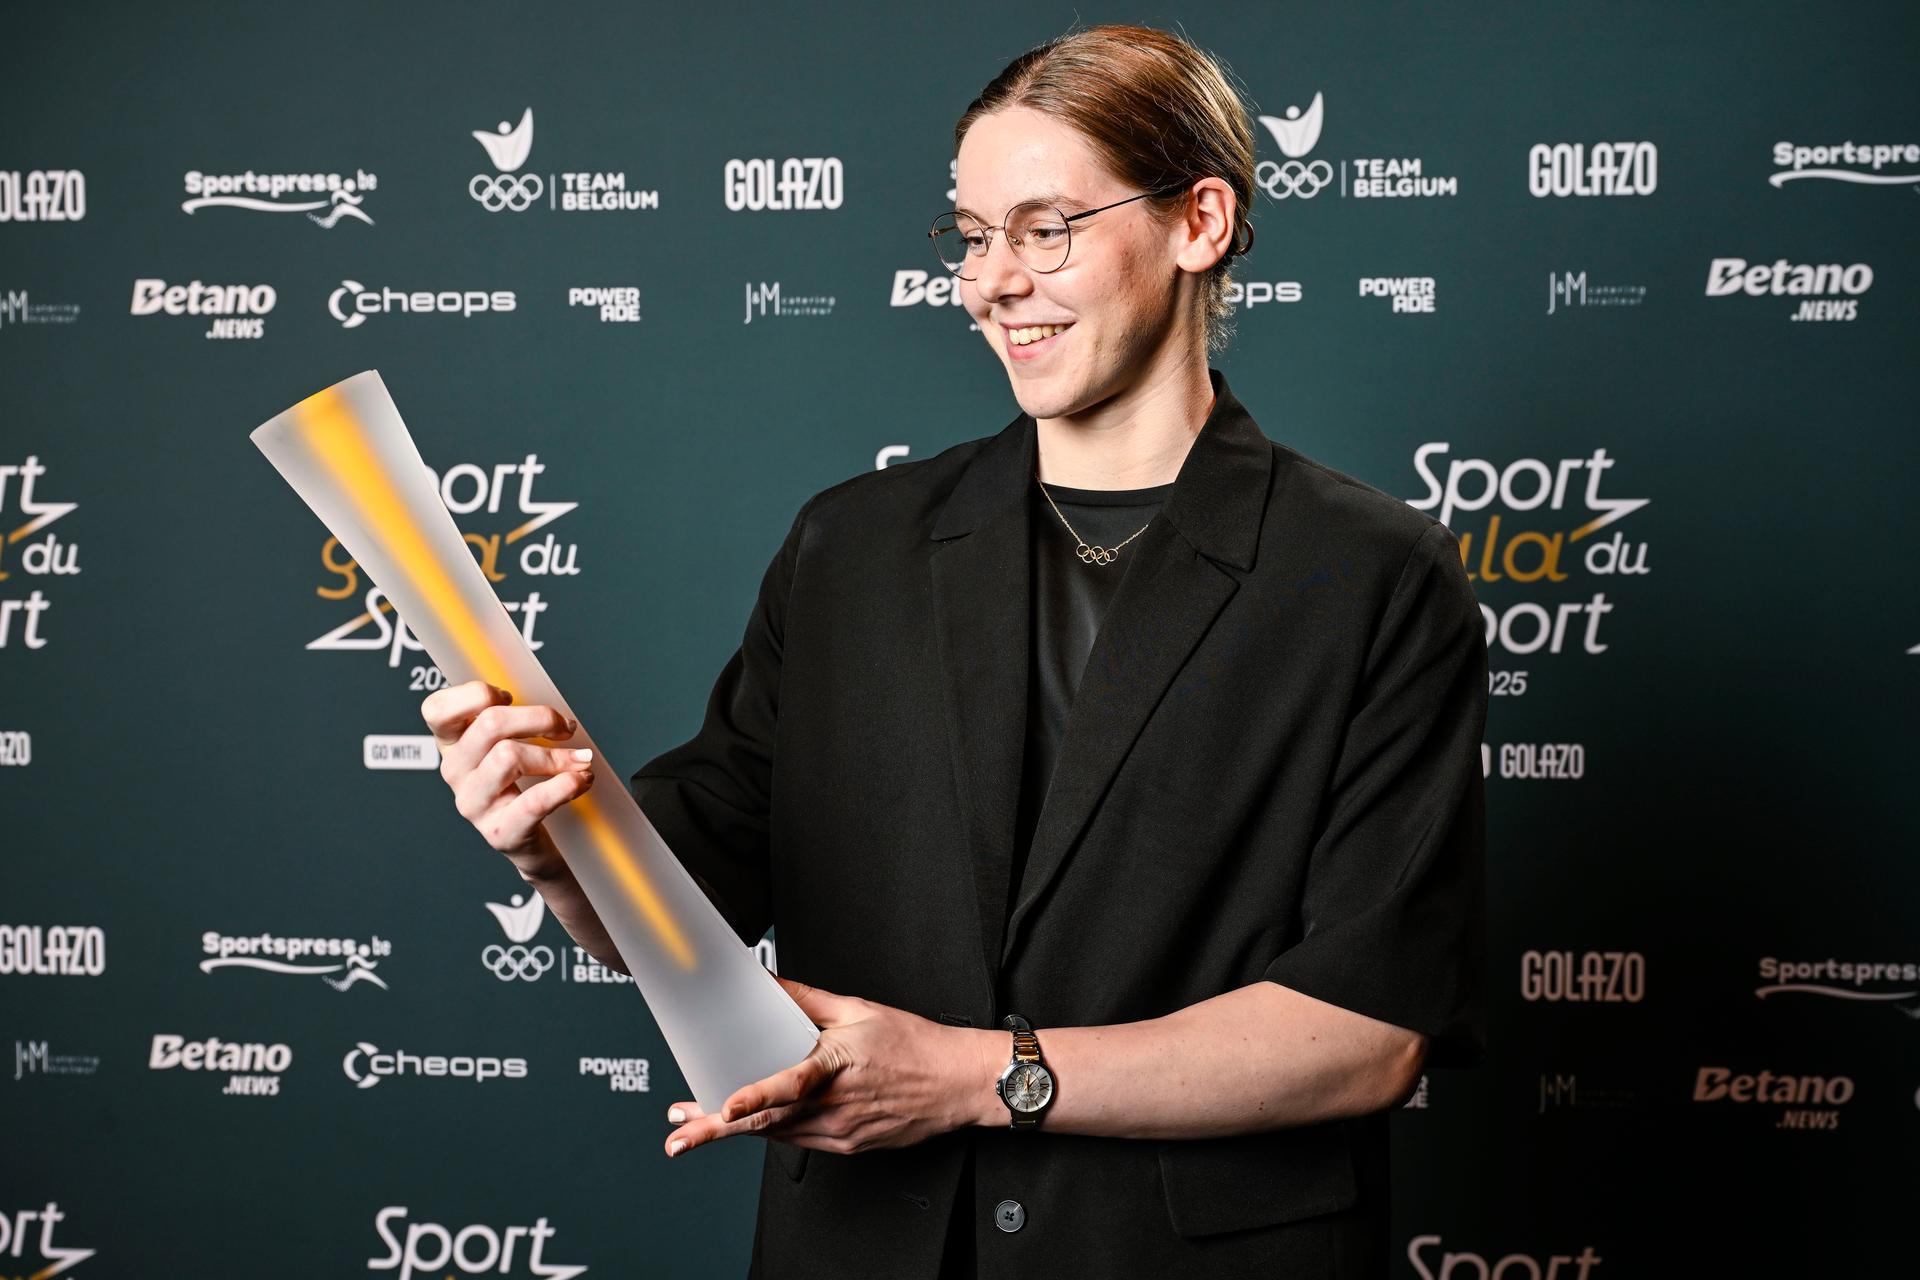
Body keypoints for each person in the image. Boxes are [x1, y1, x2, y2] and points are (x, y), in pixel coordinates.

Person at [421, 23, 1487, 1280]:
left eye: (1048, 228)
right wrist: (559, 843)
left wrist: (987, 1077)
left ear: (1200, 222)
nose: (992, 281)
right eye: (973, 235)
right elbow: (689, 915)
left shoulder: (1370, 572)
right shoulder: (850, 546)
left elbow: (1367, 1028)